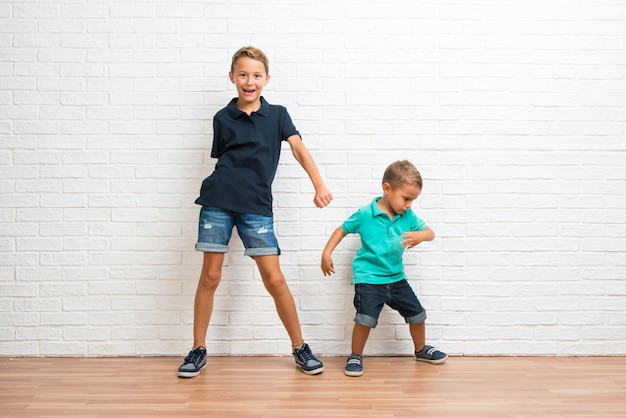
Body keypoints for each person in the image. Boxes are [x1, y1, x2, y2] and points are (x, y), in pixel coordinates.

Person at [178, 46, 333, 378]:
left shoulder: (278, 115)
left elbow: (298, 148)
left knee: (274, 279)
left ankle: (299, 347)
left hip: (256, 207)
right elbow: (224, 160)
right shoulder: (222, 117)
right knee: (211, 276)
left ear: (266, 79)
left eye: (257, 75)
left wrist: (318, 185)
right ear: (233, 77)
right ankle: (198, 348)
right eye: (243, 74)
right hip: (217, 202)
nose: (250, 81)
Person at [321, 160, 446, 377]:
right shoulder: (365, 213)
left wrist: (421, 235)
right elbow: (342, 229)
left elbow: (431, 233)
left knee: (417, 314)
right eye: (406, 198)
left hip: (396, 277)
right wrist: (326, 253)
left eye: (413, 200)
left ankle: (420, 349)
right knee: (365, 319)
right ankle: (355, 355)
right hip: (368, 278)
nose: (408, 205)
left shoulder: (407, 216)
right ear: (387, 188)